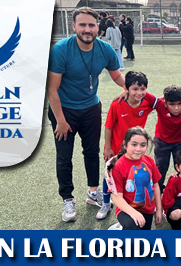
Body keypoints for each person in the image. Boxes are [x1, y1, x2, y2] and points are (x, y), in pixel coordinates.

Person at [48, 7, 126, 222]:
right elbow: (52, 89)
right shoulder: (61, 50)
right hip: (63, 110)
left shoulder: (105, 49)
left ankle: (93, 193)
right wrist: (61, 120)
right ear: (74, 27)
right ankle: (67, 199)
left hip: (91, 108)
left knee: (91, 152)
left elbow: (117, 76)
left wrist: (132, 88)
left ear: (97, 27)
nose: (87, 29)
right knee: (64, 157)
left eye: (91, 25)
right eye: (82, 25)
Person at [100, 71, 157, 219]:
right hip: (116, 149)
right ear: (127, 89)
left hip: (135, 150)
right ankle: (106, 203)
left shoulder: (146, 104)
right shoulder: (117, 104)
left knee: (133, 177)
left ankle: (138, 204)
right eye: (135, 89)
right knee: (110, 176)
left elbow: (162, 102)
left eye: (143, 89)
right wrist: (108, 147)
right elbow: (108, 126)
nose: (139, 92)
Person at [106, 127, 162, 230]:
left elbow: (156, 185)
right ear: (125, 144)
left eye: (143, 145)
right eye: (134, 144)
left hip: (147, 210)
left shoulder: (149, 160)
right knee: (133, 229)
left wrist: (158, 209)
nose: (138, 149)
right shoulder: (118, 166)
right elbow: (117, 197)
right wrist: (133, 213)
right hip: (126, 210)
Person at [153, 85, 181, 190]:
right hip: (161, 141)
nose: (176, 108)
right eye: (172, 104)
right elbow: (145, 96)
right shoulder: (160, 105)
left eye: (180, 104)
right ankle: (158, 189)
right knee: (161, 167)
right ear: (165, 103)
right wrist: (125, 91)